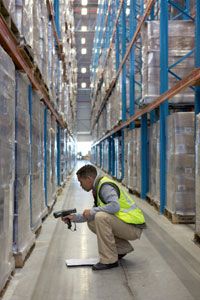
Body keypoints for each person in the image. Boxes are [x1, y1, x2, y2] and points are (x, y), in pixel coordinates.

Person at [62, 164, 146, 271]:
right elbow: (91, 215)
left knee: (100, 217)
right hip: (125, 225)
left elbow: (115, 206)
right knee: (93, 221)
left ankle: (109, 260)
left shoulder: (105, 186)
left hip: (134, 227)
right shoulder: (98, 188)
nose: (80, 185)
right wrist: (74, 218)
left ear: (89, 179)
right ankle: (121, 249)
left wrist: (92, 211)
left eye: (80, 181)